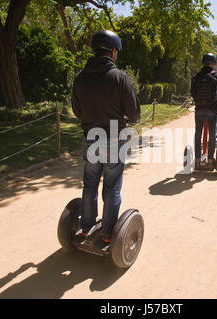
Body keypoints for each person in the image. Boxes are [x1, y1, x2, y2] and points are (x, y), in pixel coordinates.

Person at [71, 30, 141, 249]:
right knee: (112, 187)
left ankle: (86, 227)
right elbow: (135, 113)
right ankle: (108, 234)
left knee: (90, 184)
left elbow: (77, 110)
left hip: (90, 137)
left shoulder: (80, 78)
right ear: (112, 51)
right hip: (113, 137)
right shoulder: (119, 77)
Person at [190, 53, 217, 169]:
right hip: (212, 109)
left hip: (199, 109)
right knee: (212, 133)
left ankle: (198, 159)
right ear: (213, 63)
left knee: (198, 133)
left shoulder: (196, 76)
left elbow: (192, 92)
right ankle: (210, 160)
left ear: (203, 62)